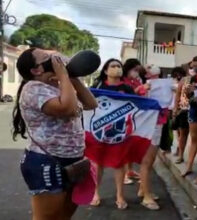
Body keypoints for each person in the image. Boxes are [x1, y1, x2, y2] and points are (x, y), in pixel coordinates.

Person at [14, 48, 97, 219]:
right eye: (47, 58)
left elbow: (90, 103)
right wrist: (64, 76)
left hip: (73, 160)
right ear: (36, 70)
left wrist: (71, 77)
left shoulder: (61, 86)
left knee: (64, 215)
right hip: (47, 161)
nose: (55, 59)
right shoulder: (32, 88)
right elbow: (67, 108)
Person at [89, 58, 134, 209]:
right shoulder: (97, 86)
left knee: (119, 163)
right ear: (106, 71)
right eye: (113, 66)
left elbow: (136, 106)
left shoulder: (127, 89)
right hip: (99, 131)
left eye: (119, 66)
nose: (116, 68)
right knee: (98, 163)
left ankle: (120, 195)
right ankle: (95, 192)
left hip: (120, 133)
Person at [138, 64, 167, 210]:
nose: (152, 70)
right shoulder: (142, 86)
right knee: (147, 160)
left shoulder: (164, 85)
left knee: (151, 160)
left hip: (159, 123)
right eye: (149, 69)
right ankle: (146, 197)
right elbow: (135, 97)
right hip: (148, 124)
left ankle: (143, 189)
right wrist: (143, 89)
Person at [172, 67, 190, 163]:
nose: (193, 69)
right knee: (182, 134)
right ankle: (181, 155)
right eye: (191, 67)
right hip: (184, 109)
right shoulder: (184, 80)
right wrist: (176, 108)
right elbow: (178, 95)